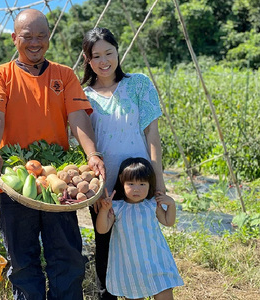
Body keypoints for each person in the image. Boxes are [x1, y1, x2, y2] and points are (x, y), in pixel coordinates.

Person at [0, 9, 105, 300]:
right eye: (27, 37)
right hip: (16, 178)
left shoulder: (64, 75)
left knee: (68, 255)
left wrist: (92, 154)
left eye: (41, 36)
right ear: (14, 39)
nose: (35, 42)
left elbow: (78, 118)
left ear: (49, 38)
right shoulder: (1, 74)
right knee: (22, 259)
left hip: (58, 180)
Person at [81, 27, 168, 300]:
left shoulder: (138, 84)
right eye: (96, 56)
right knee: (106, 248)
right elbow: (85, 143)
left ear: (118, 52)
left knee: (144, 245)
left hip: (138, 181)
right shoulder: (83, 95)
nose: (104, 61)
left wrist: (159, 182)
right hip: (105, 188)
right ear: (88, 59)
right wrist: (94, 190)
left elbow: (152, 136)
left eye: (109, 53)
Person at [96, 157, 184, 300]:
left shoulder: (152, 205)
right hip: (131, 267)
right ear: (121, 181)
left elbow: (168, 221)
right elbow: (102, 229)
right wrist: (104, 210)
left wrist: (171, 205)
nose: (136, 189)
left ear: (150, 184)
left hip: (157, 262)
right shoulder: (117, 208)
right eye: (131, 183)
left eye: (142, 184)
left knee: (164, 294)